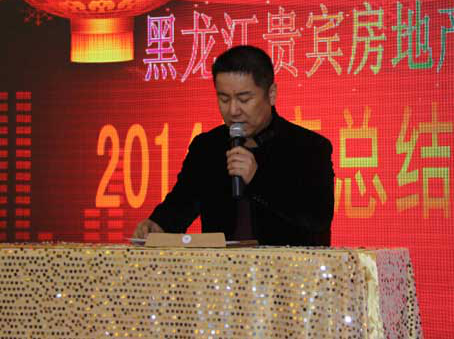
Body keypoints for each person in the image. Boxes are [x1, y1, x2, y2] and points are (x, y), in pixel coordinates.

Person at [132, 45, 334, 246]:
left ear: (271, 94)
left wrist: (258, 180)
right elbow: (181, 204)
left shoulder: (310, 147)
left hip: (288, 265)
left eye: (244, 99)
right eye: (224, 99)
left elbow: (318, 218)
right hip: (220, 265)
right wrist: (158, 225)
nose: (233, 110)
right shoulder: (207, 147)